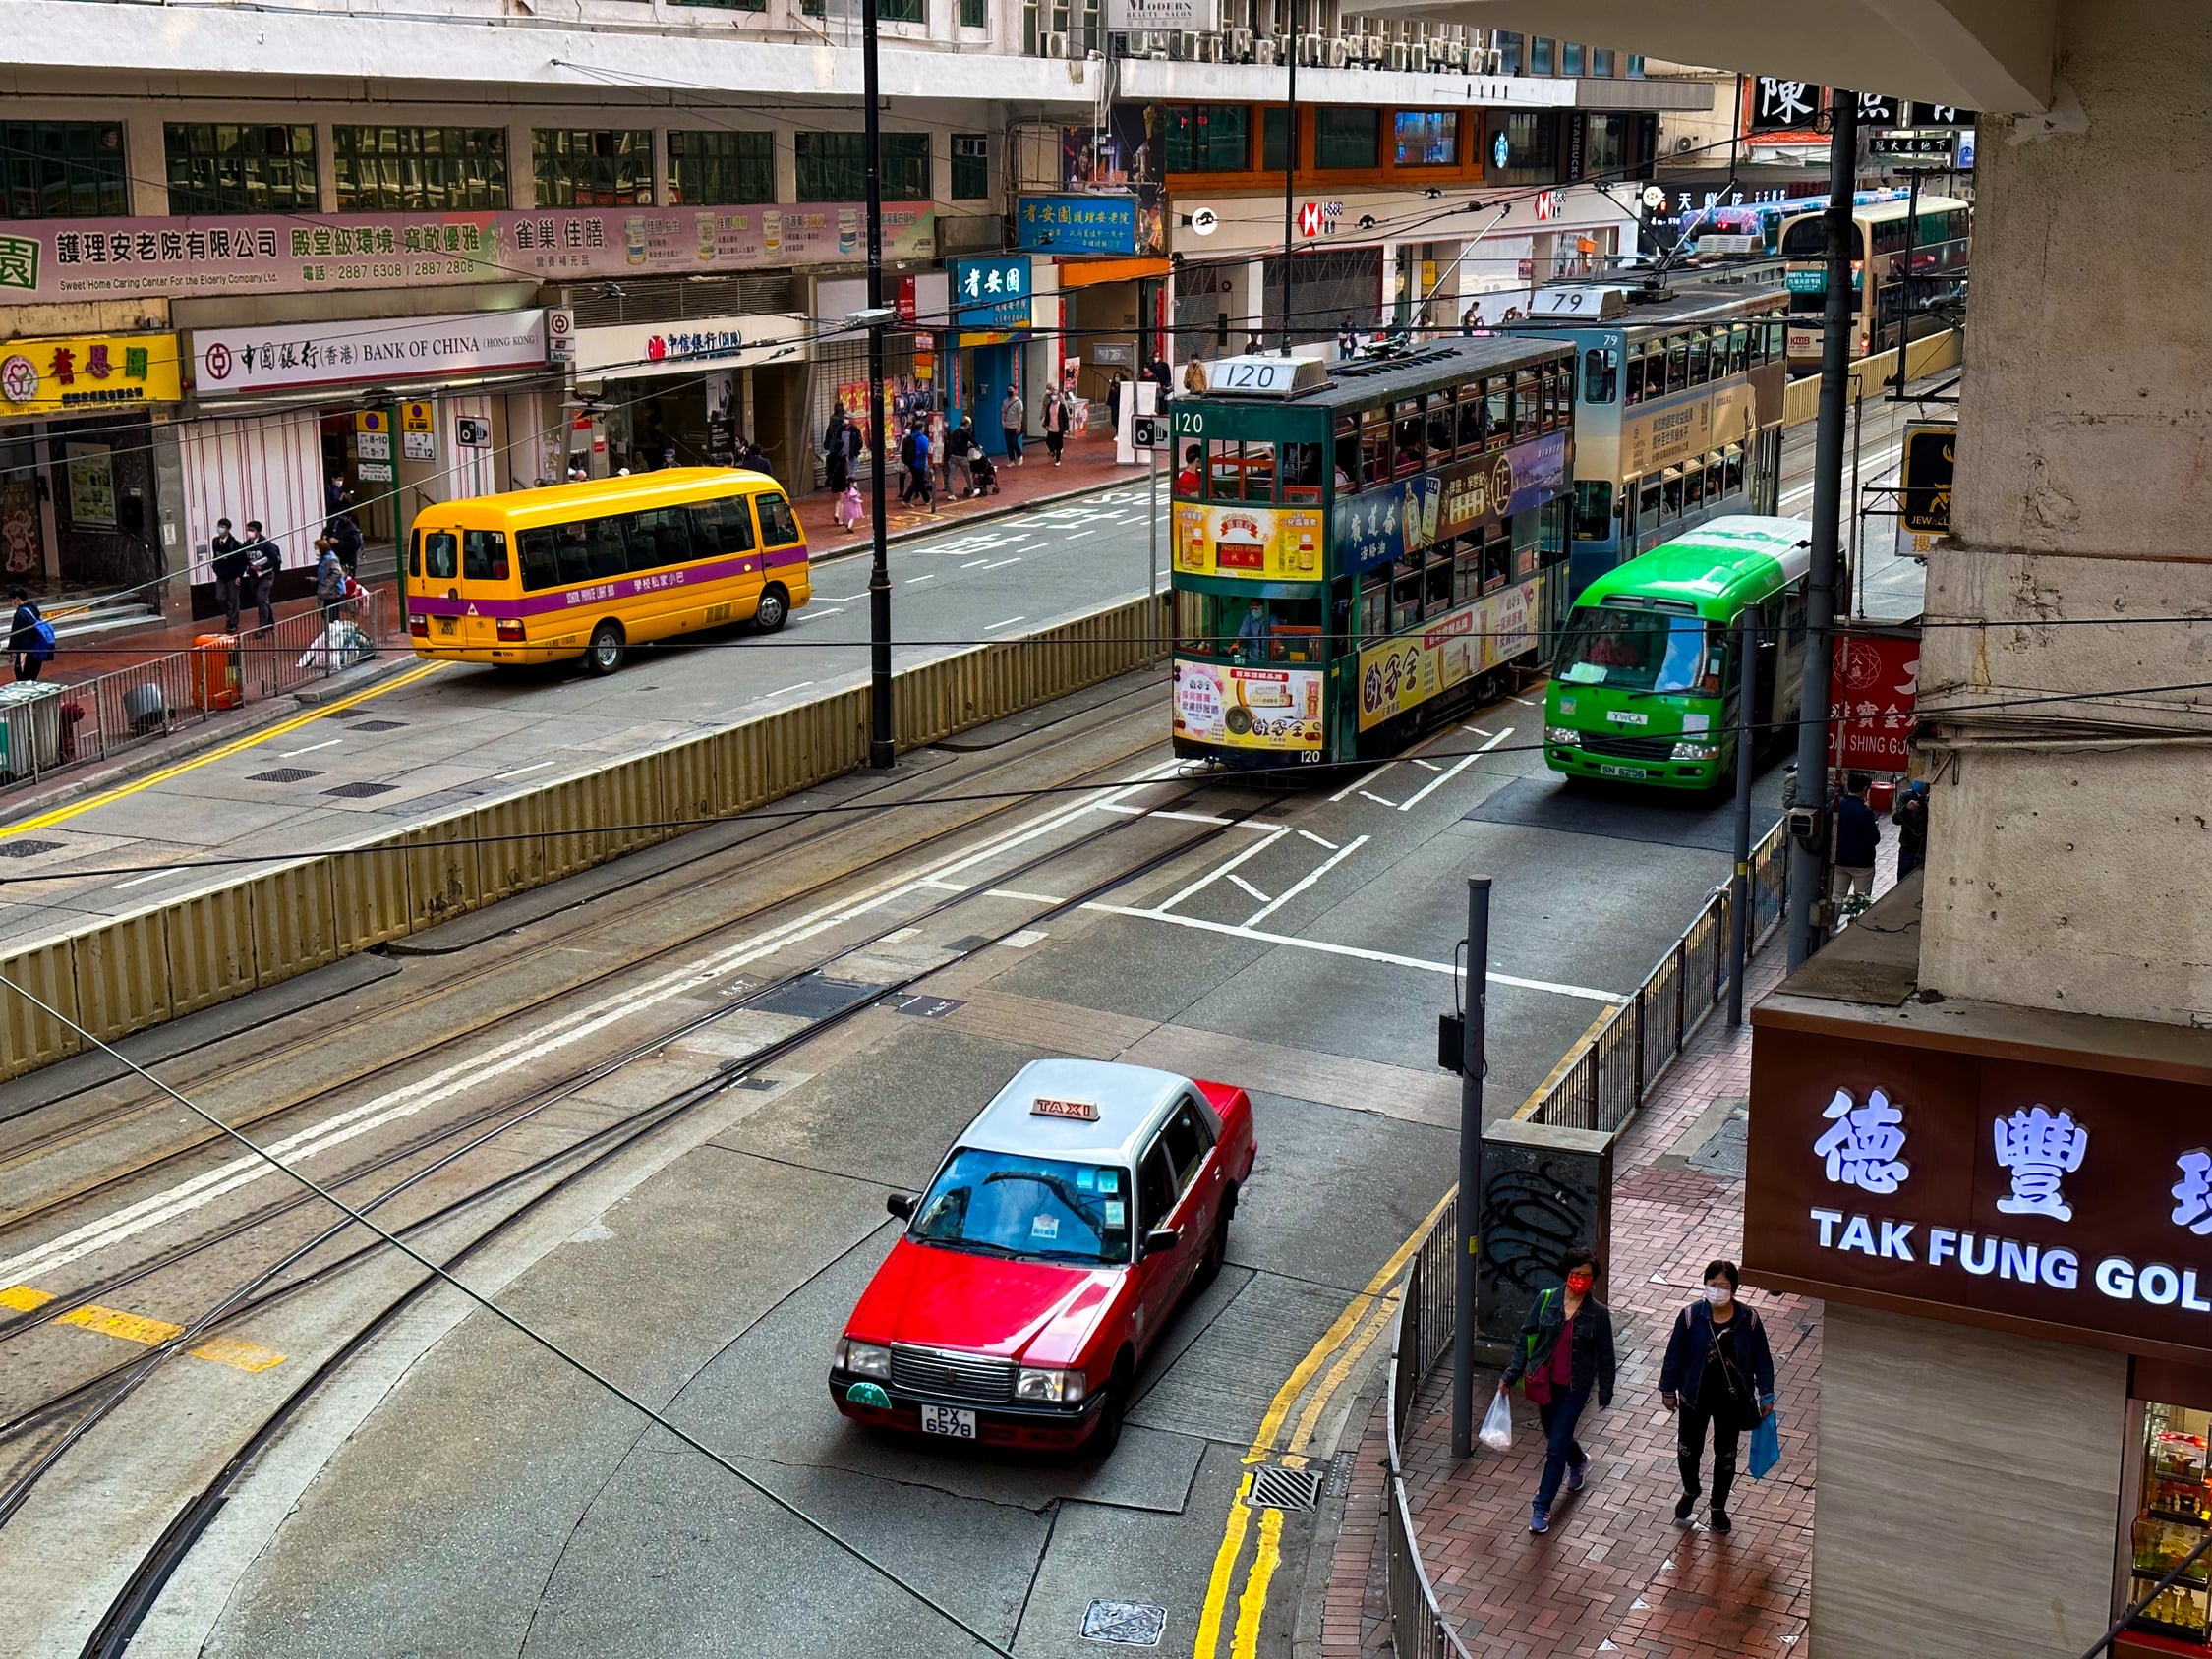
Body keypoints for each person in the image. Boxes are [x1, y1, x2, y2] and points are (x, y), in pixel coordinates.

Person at [1496, 1249, 1617, 1535]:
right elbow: (1526, 1338)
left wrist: (1606, 1391)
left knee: (1554, 1448)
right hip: (1545, 1384)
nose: (1580, 1280)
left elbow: (1606, 1355)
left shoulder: (1598, 1314)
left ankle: (1541, 1506)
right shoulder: (1547, 1300)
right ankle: (1578, 1461)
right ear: (1567, 1273)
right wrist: (1511, 1374)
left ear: (1593, 1280)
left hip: (1575, 1389)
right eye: (1576, 1274)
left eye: (1586, 1276)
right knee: (1555, 1436)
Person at [1659, 1259, 1775, 1535]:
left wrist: (1766, 1395)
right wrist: (1668, 1389)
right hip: (1693, 1397)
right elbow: (1674, 1354)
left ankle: (1718, 1507)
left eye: (1723, 1286)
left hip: (1731, 1402)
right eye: (1713, 1285)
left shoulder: (1749, 1320)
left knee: (1726, 1455)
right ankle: (1691, 1489)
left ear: (1734, 1289)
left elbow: (1762, 1360)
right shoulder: (1690, 1316)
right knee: (1688, 1449)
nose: (1718, 1291)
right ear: (1705, 1286)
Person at [1832, 771, 1881, 915]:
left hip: (1839, 859)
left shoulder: (1836, 806)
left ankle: (1829, 929)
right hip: (1862, 864)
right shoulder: (1865, 812)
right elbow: (1874, 839)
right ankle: (1854, 928)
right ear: (1865, 790)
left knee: (1837, 896)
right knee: (1860, 899)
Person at [209, 517, 249, 635]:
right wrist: (215, 568)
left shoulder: (235, 544)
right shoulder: (215, 542)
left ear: (228, 529)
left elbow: (243, 561)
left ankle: (233, 622)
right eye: (219, 526)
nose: (220, 529)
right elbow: (215, 556)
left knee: (233, 599)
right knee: (220, 597)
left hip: (233, 576)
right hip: (221, 576)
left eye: (223, 527)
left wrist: (239, 575)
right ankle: (229, 614)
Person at [241, 520, 280, 630]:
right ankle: (270, 621)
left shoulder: (266, 544)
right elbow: (243, 558)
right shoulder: (247, 544)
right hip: (254, 577)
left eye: (252, 530)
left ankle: (262, 627)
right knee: (262, 600)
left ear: (258, 532)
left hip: (266, 576)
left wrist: (262, 567)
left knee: (261, 598)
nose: (249, 532)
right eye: (248, 530)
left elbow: (275, 560)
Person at [9, 587, 52, 682]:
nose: (12, 604)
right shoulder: (34, 609)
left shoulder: (20, 613)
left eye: (12, 601)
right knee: (32, 677)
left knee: (22, 677)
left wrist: (11, 650)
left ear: (17, 599)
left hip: (26, 650)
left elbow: (16, 634)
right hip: (37, 649)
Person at [1893, 779, 1930, 880]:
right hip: (1908, 847)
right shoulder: (1906, 796)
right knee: (1903, 880)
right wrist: (1906, 808)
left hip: (1924, 849)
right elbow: (1896, 819)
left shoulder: (1933, 798)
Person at [314, 537, 349, 629]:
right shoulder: (325, 558)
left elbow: (337, 573)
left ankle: (333, 635)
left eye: (316, 549)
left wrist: (327, 586)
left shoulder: (330, 559)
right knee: (327, 615)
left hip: (333, 593)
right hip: (328, 592)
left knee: (332, 617)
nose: (315, 551)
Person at [324, 510, 364, 579]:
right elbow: (327, 531)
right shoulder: (336, 524)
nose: (343, 519)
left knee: (347, 580)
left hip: (348, 559)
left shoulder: (352, 529)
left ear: (349, 518)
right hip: (336, 557)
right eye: (342, 516)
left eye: (345, 517)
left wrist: (338, 542)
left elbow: (353, 545)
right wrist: (327, 537)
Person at [1041, 387, 1067, 467]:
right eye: (1052, 395)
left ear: (1058, 396)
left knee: (1058, 444)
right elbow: (1048, 415)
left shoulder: (1061, 406)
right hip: (1051, 427)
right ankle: (1053, 451)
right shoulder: (1049, 405)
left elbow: (1065, 417)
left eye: (1055, 394)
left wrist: (1066, 428)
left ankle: (1057, 460)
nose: (1053, 396)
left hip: (1059, 428)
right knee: (1048, 440)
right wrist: (1045, 423)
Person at [999, 386, 1025, 466]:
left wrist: (1019, 425)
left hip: (1015, 425)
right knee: (1008, 443)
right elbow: (1003, 412)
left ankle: (1019, 455)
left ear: (1015, 390)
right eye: (1008, 390)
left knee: (1013, 442)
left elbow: (1020, 414)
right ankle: (1012, 460)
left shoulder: (1018, 402)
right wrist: (1002, 421)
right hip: (1007, 425)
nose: (1009, 391)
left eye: (1011, 390)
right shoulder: (1005, 401)